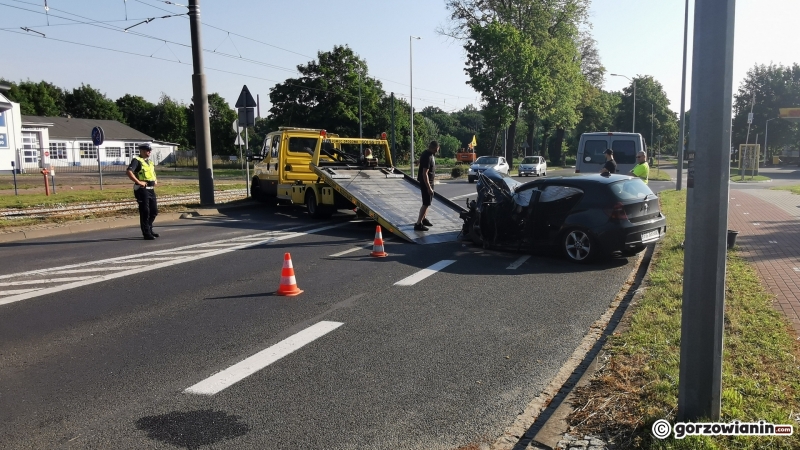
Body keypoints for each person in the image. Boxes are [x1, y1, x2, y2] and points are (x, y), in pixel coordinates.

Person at [126, 143, 159, 240]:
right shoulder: (137, 160)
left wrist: (155, 179)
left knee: (154, 211)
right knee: (145, 211)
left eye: (150, 150)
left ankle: (149, 228)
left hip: (151, 189)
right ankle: (146, 233)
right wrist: (139, 182)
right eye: (147, 150)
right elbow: (129, 172)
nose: (149, 152)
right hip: (142, 189)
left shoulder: (149, 162)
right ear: (142, 151)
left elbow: (152, 172)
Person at [414, 140, 439, 231]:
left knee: (427, 203)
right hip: (426, 183)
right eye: (436, 150)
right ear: (432, 148)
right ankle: (418, 224)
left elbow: (421, 159)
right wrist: (429, 188)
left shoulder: (427, 153)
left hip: (430, 182)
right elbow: (425, 174)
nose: (437, 151)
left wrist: (418, 161)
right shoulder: (427, 156)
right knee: (425, 203)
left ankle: (423, 219)